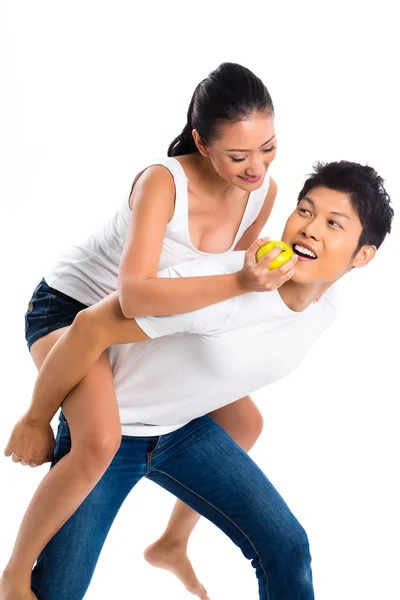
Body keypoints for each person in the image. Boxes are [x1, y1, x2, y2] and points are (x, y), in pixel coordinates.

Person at [1, 161, 394, 600]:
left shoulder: (327, 306)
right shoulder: (221, 290)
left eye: (332, 223)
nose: (310, 229)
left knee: (287, 547)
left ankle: (171, 542)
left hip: (183, 433)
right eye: (305, 211)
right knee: (54, 592)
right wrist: (36, 418)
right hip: (112, 436)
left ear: (362, 256)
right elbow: (89, 328)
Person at [1, 61, 296, 600]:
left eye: (268, 148)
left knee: (245, 421)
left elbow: (219, 287)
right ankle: (15, 576)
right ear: (203, 145)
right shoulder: (163, 180)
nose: (256, 168)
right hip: (71, 310)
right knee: (100, 443)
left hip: (149, 320)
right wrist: (243, 279)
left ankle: (171, 543)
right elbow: (134, 292)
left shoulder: (262, 192)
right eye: (239, 156)